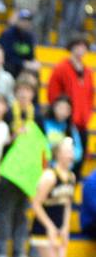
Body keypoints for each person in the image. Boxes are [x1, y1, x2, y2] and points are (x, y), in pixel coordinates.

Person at [30, 138, 75, 257]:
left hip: (59, 229)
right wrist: (50, 226)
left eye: (72, 150)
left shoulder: (71, 177)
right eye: (67, 150)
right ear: (58, 153)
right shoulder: (49, 176)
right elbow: (36, 203)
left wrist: (65, 227)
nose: (71, 153)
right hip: (43, 228)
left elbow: (66, 204)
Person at [47, 35, 93, 178]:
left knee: (78, 161)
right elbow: (53, 94)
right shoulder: (61, 68)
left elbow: (91, 96)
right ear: (71, 48)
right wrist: (60, 113)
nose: (80, 50)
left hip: (82, 123)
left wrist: (87, 115)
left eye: (83, 46)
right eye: (77, 46)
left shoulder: (88, 72)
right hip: (65, 123)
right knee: (60, 160)